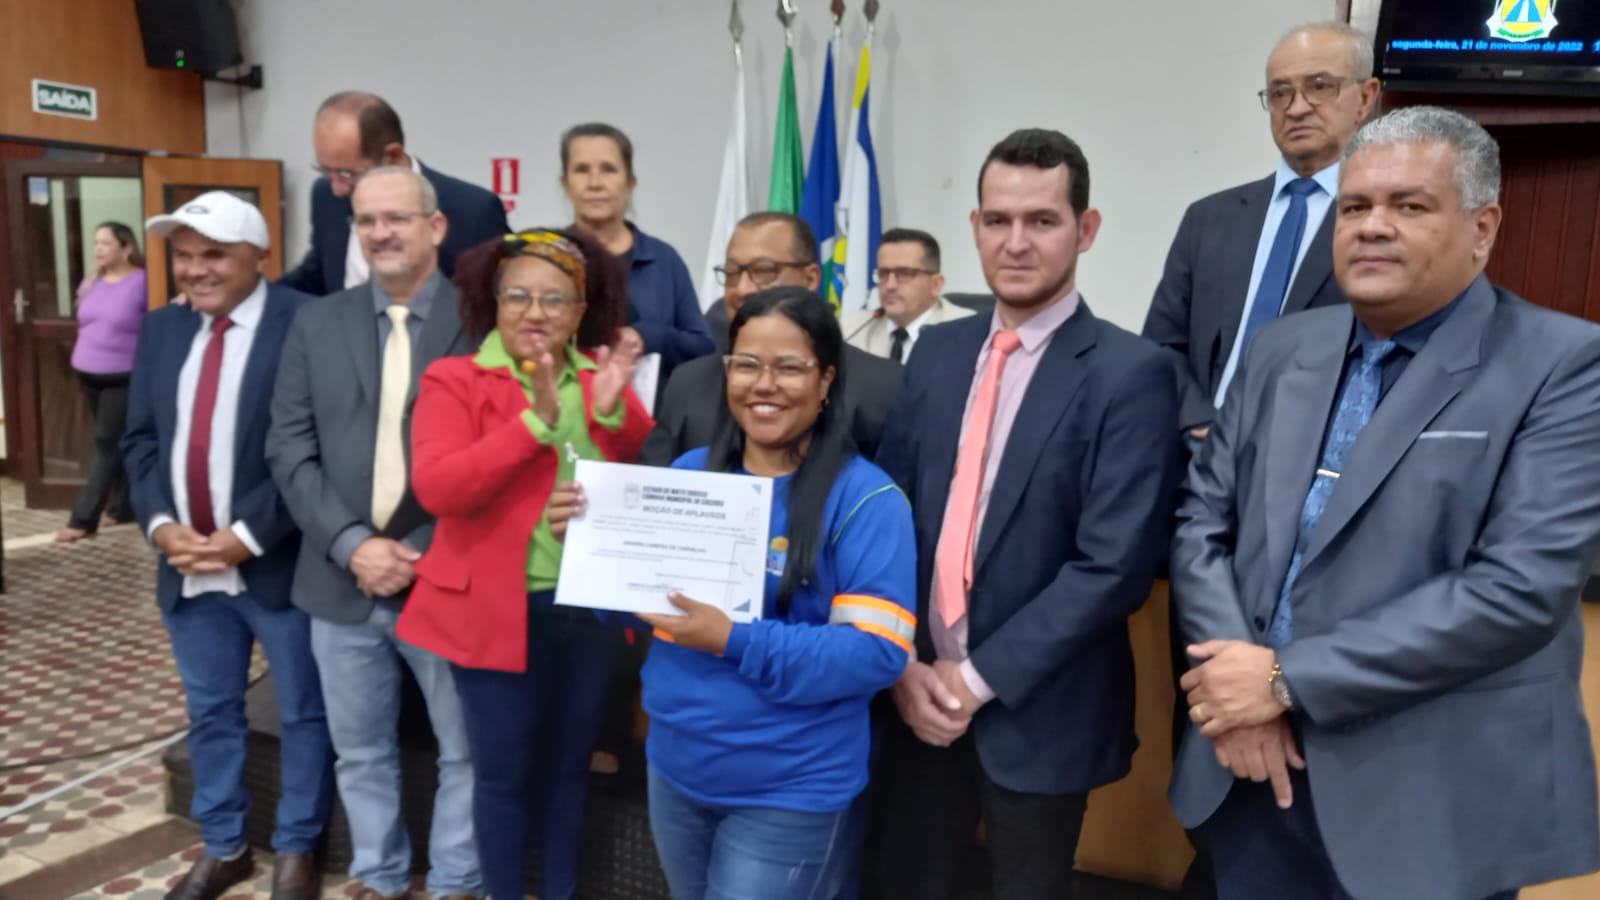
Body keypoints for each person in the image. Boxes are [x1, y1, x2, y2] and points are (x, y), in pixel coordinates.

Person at [1169, 106, 1600, 900]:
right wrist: (1242, 695)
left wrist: (1284, 680)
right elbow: (1202, 523)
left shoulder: (1564, 365)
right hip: (1253, 771)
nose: (1372, 226)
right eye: (1356, 206)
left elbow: (1519, 591)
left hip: (1425, 797)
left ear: (1482, 228)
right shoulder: (1281, 349)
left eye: (1410, 205)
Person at [872, 128, 1183, 900]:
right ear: (975, 226)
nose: (1016, 242)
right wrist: (902, 665)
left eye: (1042, 220)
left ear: (1086, 228)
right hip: (911, 699)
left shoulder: (1132, 373)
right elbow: (887, 515)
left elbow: (1112, 567)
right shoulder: (937, 352)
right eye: (998, 220)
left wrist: (974, 681)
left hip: (1040, 715)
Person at [550, 286, 917, 900]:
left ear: (826, 379)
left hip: (789, 790)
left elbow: (875, 653)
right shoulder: (692, 473)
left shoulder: (869, 502)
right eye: (746, 364)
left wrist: (732, 638)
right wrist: (591, 550)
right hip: (676, 767)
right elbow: (638, 612)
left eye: (789, 367)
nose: (763, 384)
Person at [393, 229, 653, 900]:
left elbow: (641, 479)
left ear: (581, 310)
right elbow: (439, 489)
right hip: (494, 612)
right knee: (503, 776)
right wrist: (534, 424)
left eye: (555, 299)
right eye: (518, 296)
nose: (535, 312)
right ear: (494, 300)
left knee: (569, 770)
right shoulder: (453, 379)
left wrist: (615, 414)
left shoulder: (598, 376)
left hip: (588, 610)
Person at [265, 167, 480, 900]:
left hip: (447, 579)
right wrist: (352, 544)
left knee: (465, 751)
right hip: (340, 581)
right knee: (358, 752)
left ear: (435, 227)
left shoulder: (484, 323)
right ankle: (379, 877)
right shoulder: (317, 323)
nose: (381, 233)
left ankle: (455, 883)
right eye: (366, 221)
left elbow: (505, 454)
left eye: (397, 218)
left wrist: (417, 551)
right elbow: (288, 449)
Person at [122, 192, 332, 900]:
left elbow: (316, 448)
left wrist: (246, 537)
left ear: (258, 256)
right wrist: (161, 527)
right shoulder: (163, 329)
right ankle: (225, 846)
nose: (195, 270)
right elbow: (141, 441)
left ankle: (298, 848)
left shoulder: (305, 321)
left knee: (303, 712)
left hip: (277, 565)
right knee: (211, 713)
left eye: (213, 254)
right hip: (187, 568)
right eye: (183, 256)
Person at [1143, 22, 1379, 448]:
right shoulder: (1209, 219)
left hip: (1309, 459)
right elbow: (1162, 346)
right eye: (1280, 92)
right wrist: (1198, 422)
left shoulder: (1379, 224)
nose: (1297, 108)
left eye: (1319, 86)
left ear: (1365, 98)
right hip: (1195, 452)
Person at [645, 211, 901, 463]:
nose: (742, 289)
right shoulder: (688, 382)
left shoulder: (881, 387)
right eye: (732, 273)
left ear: (811, 278)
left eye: (763, 271)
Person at [280, 91, 510, 295]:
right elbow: (317, 276)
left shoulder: (474, 211)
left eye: (348, 174)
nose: (337, 189)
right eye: (326, 171)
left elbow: (499, 297)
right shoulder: (325, 196)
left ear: (394, 155)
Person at [560, 122, 714, 398]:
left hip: (651, 420)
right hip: (561, 416)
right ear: (565, 184)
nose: (595, 183)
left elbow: (703, 348)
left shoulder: (663, 259)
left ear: (630, 183)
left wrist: (649, 336)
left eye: (608, 169)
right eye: (582, 170)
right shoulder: (547, 258)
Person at [58, 221, 147, 543]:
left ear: (126, 248)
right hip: (87, 374)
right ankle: (123, 508)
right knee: (114, 442)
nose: (98, 249)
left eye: (106, 243)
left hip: (121, 377)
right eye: (96, 242)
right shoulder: (92, 281)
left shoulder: (143, 282)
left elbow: (162, 320)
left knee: (105, 444)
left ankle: (83, 518)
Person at [839, 228, 973, 363]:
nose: (890, 285)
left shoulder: (968, 331)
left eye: (904, 273)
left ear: (935, 284)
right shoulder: (850, 329)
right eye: (883, 273)